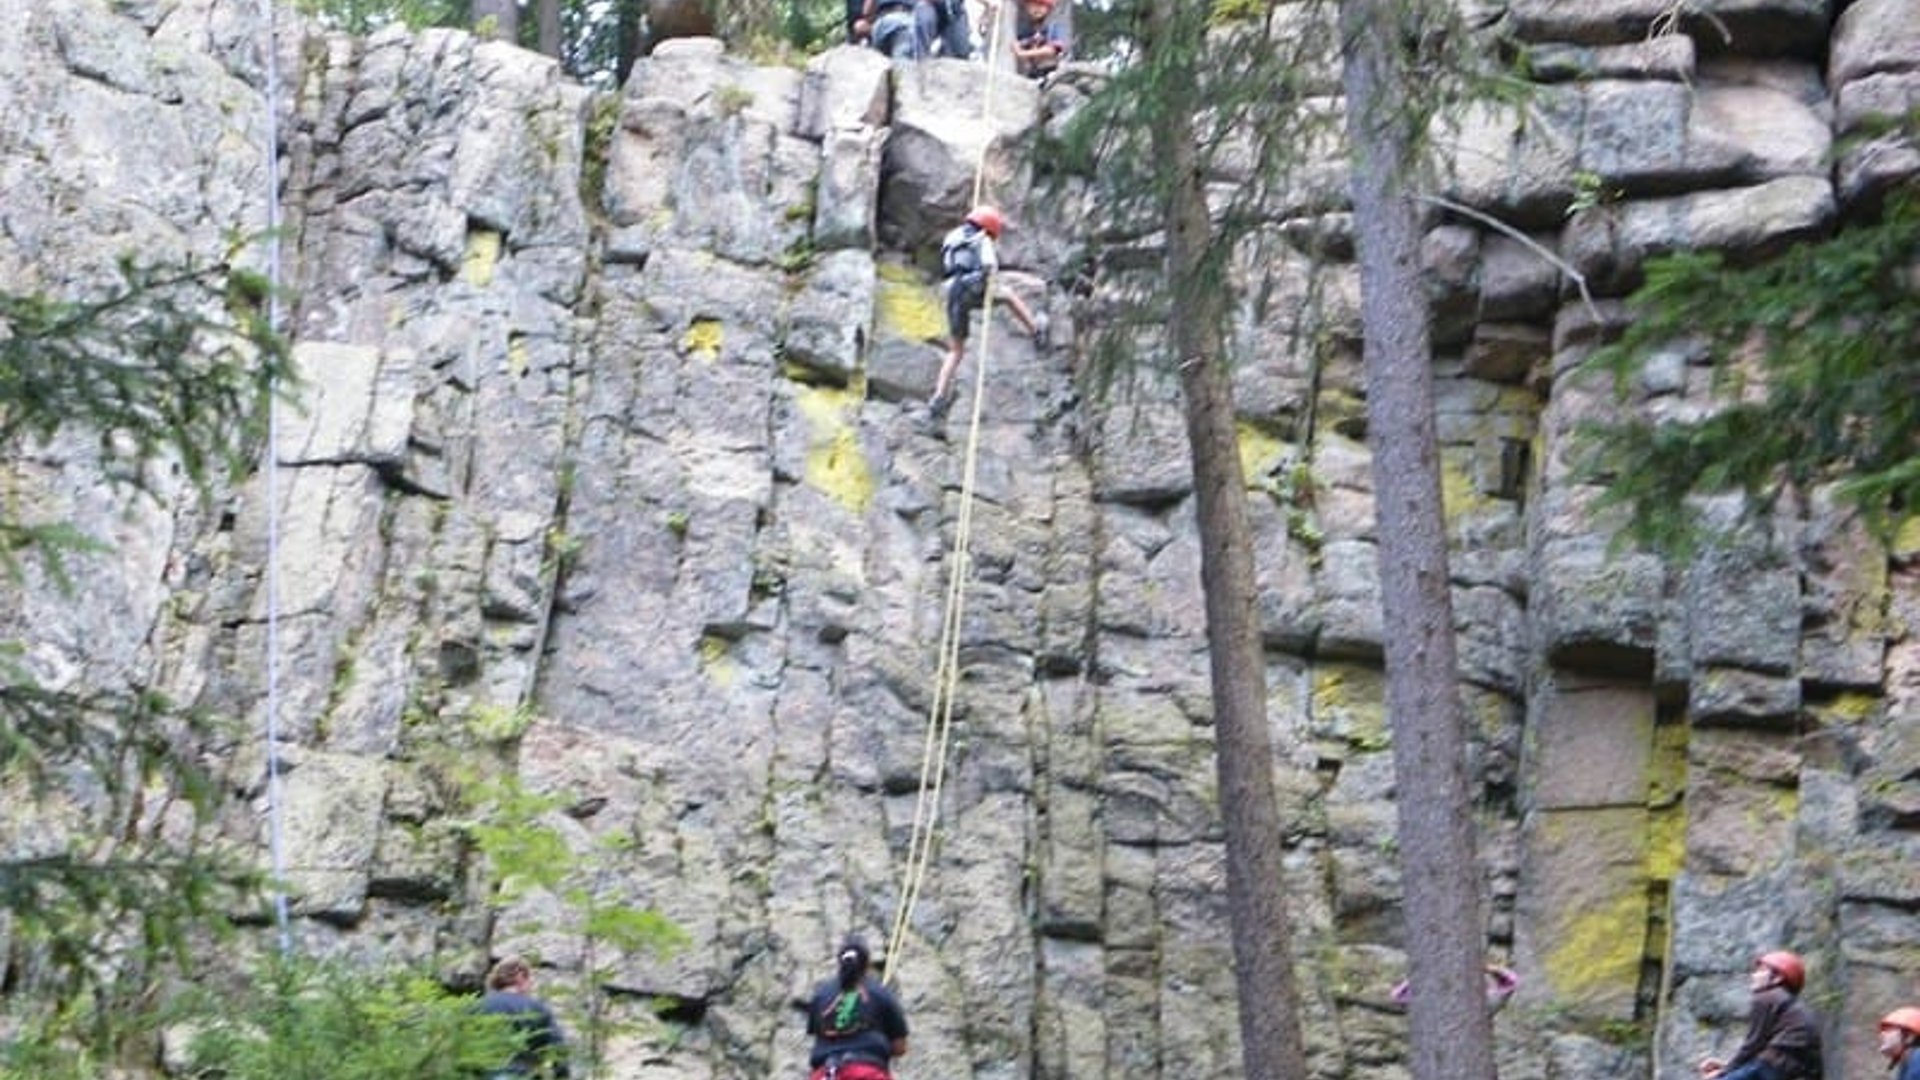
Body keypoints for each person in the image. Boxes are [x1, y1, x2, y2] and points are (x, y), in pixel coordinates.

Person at [929, 204, 1046, 419]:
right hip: (973, 287)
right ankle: (1036, 330)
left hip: (952, 291)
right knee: (1008, 295)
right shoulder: (982, 239)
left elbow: (947, 264)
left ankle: (938, 397)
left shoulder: (952, 238)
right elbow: (989, 266)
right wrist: (991, 284)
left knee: (955, 351)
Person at [1698, 950, 1822, 1080]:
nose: (1754, 975)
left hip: (1773, 1067)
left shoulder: (1767, 997)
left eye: (1761, 971)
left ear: (1777, 978)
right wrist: (1727, 1067)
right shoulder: (1791, 1005)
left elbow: (1753, 1044)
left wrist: (1724, 1072)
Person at [805, 936, 909, 1080]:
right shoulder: (881, 993)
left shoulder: (821, 994)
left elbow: (818, 1034)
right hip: (867, 1073)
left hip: (827, 1074)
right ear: (867, 964)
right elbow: (900, 1047)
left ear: (840, 962)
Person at [478, 956, 571, 1079]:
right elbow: (558, 1051)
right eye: (530, 981)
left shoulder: (476, 1006)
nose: (531, 987)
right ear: (520, 976)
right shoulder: (536, 1008)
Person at [1009, 0, 1069, 80]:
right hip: (1034, 71)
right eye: (1033, 5)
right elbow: (1025, 42)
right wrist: (1019, 45)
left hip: (1051, 70)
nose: (1037, 9)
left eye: (1041, 5)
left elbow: (1052, 50)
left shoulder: (1054, 26)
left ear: (1048, 8)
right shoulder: (1029, 30)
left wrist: (1023, 53)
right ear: (1027, 7)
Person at [1879, 1008, 1920, 1079]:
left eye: (1888, 1030)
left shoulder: (1917, 1059)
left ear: (1909, 1036)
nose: (1882, 1034)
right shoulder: (1906, 1065)